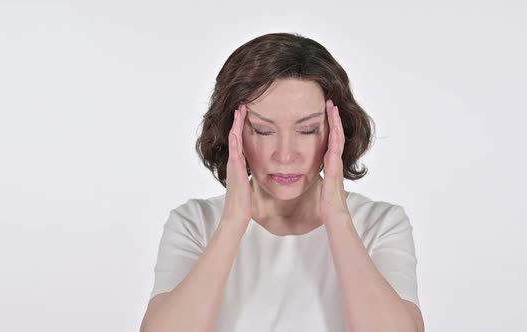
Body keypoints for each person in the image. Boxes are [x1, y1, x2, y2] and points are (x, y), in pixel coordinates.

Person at [140, 32, 424, 332]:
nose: (285, 156)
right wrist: (233, 222)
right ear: (231, 132)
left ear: (336, 130)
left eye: (308, 130)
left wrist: (338, 218)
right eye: (262, 130)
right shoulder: (195, 224)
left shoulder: (379, 225)